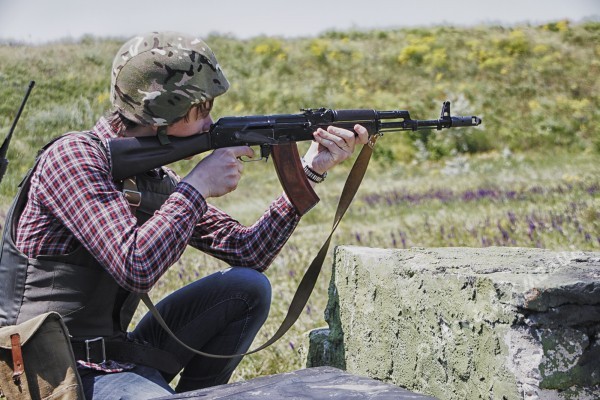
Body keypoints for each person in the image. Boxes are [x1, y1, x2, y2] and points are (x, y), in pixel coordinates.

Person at [0, 31, 368, 399]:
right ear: (165, 111)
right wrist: (198, 185)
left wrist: (311, 169)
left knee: (247, 288)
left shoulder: (151, 175)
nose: (210, 123)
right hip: (48, 369)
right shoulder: (72, 159)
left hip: (116, 353)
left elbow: (248, 252)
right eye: (201, 110)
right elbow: (135, 264)